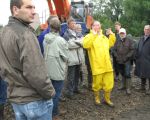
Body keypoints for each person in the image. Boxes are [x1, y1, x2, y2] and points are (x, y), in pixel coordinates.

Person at [0, 0, 55, 120]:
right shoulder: (26, 35)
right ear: (15, 10)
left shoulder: (4, 32)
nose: (34, 11)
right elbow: (36, 74)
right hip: (34, 101)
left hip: (16, 100)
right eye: (29, 7)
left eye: (34, 7)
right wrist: (50, 93)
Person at [83, 21, 115, 107]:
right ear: (92, 27)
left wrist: (112, 35)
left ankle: (107, 99)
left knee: (109, 84)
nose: (97, 26)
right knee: (97, 84)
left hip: (107, 65)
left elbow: (110, 44)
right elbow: (85, 45)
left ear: (100, 26)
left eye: (98, 25)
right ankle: (97, 98)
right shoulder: (89, 36)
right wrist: (93, 35)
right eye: (95, 25)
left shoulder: (104, 37)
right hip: (97, 66)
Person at [43, 17, 69, 120]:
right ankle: (54, 115)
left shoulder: (45, 39)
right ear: (59, 28)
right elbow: (66, 57)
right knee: (56, 94)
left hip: (47, 71)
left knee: (48, 93)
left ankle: (51, 112)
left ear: (50, 27)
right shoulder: (61, 41)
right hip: (58, 72)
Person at [63, 17, 83, 99]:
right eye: (72, 23)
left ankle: (76, 88)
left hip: (78, 59)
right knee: (71, 77)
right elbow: (69, 45)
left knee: (77, 75)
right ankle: (69, 92)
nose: (74, 25)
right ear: (68, 25)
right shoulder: (66, 34)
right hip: (71, 59)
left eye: (75, 23)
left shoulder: (78, 33)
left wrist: (77, 42)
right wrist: (79, 43)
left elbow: (83, 42)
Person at [113, 28, 135, 95]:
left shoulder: (130, 40)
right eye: (121, 33)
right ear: (119, 34)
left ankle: (128, 88)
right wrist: (116, 56)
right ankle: (123, 85)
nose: (122, 34)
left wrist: (127, 57)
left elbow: (132, 50)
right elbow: (114, 50)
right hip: (119, 61)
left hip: (127, 61)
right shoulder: (117, 41)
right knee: (122, 73)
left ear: (125, 33)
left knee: (127, 73)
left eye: (123, 33)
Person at [134, 25, 150, 95]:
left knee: (149, 75)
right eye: (145, 29)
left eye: (148, 29)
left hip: (148, 60)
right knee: (142, 73)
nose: (146, 30)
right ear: (144, 30)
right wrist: (136, 56)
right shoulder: (141, 38)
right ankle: (142, 87)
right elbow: (137, 48)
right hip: (141, 59)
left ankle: (149, 89)